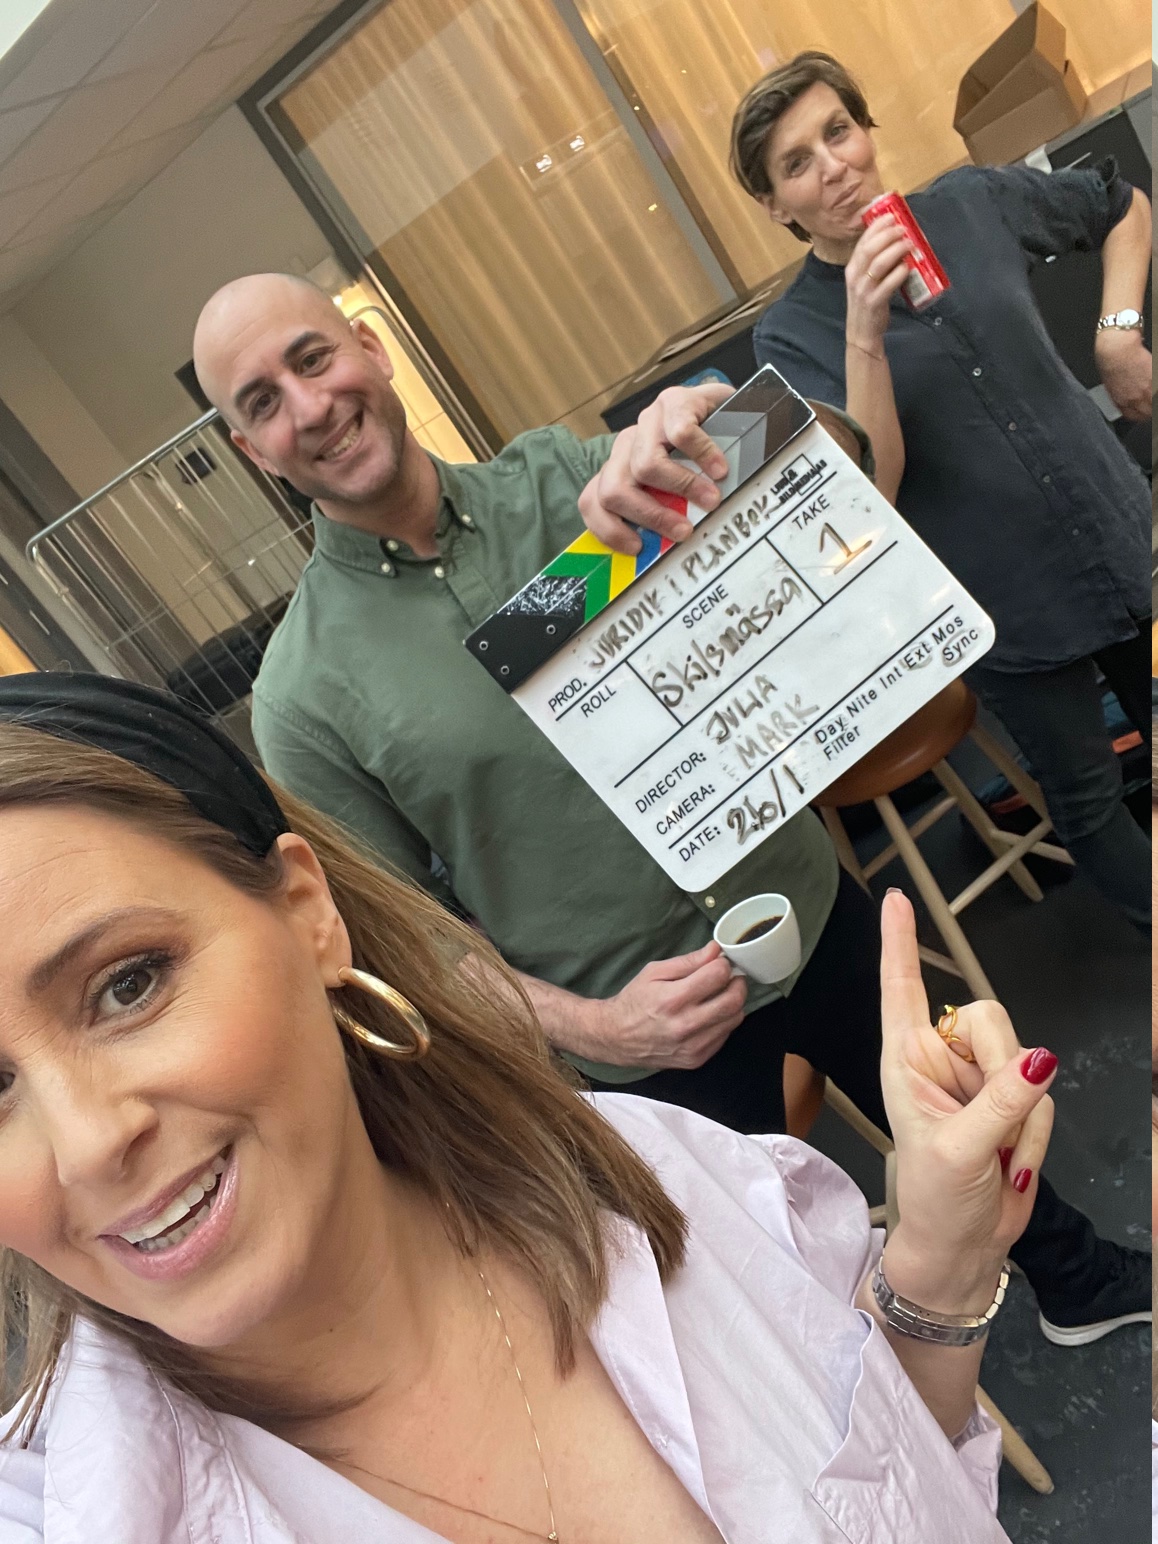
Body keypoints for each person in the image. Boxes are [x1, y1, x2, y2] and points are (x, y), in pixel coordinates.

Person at [189, 272, 1147, 1346]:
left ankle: (1080, 1281)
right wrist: (594, 1025)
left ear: (370, 349)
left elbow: (836, 467)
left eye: (313, 358)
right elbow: (409, 942)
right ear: (250, 450)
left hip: (802, 899)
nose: (310, 405)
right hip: (647, 1039)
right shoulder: (301, 696)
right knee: (764, 1310)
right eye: (263, 401)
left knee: (967, 1121)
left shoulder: (564, 479)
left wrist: (717, 422)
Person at [0, 672, 1059, 1541]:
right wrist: (598, 1022)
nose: (90, 1144)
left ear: (309, 913)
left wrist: (942, 1269)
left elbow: (893, 1476)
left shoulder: (653, 1172)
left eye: (127, 984)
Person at [720, 51, 1151, 930]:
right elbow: (868, 493)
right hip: (1010, 608)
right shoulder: (788, 338)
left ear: (866, 132)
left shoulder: (970, 204)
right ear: (775, 206)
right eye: (797, 163)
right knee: (1090, 800)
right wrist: (864, 332)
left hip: (1117, 530)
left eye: (838, 132)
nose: (832, 165)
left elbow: (1121, 207)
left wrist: (1117, 332)